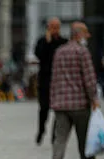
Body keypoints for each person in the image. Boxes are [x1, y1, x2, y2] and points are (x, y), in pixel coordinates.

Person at [49, 22, 102, 159]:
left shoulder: (59, 52)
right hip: (80, 104)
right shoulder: (82, 52)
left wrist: (54, 100)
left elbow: (55, 78)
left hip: (61, 104)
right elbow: (89, 79)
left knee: (60, 139)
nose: (88, 36)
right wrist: (94, 98)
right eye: (86, 33)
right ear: (78, 34)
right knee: (84, 138)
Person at [34, 17, 67, 145]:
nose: (54, 29)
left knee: (58, 111)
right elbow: (39, 55)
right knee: (44, 108)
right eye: (52, 27)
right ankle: (41, 131)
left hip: (59, 81)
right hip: (45, 81)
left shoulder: (63, 42)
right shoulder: (42, 41)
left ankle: (55, 135)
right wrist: (47, 42)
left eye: (56, 27)